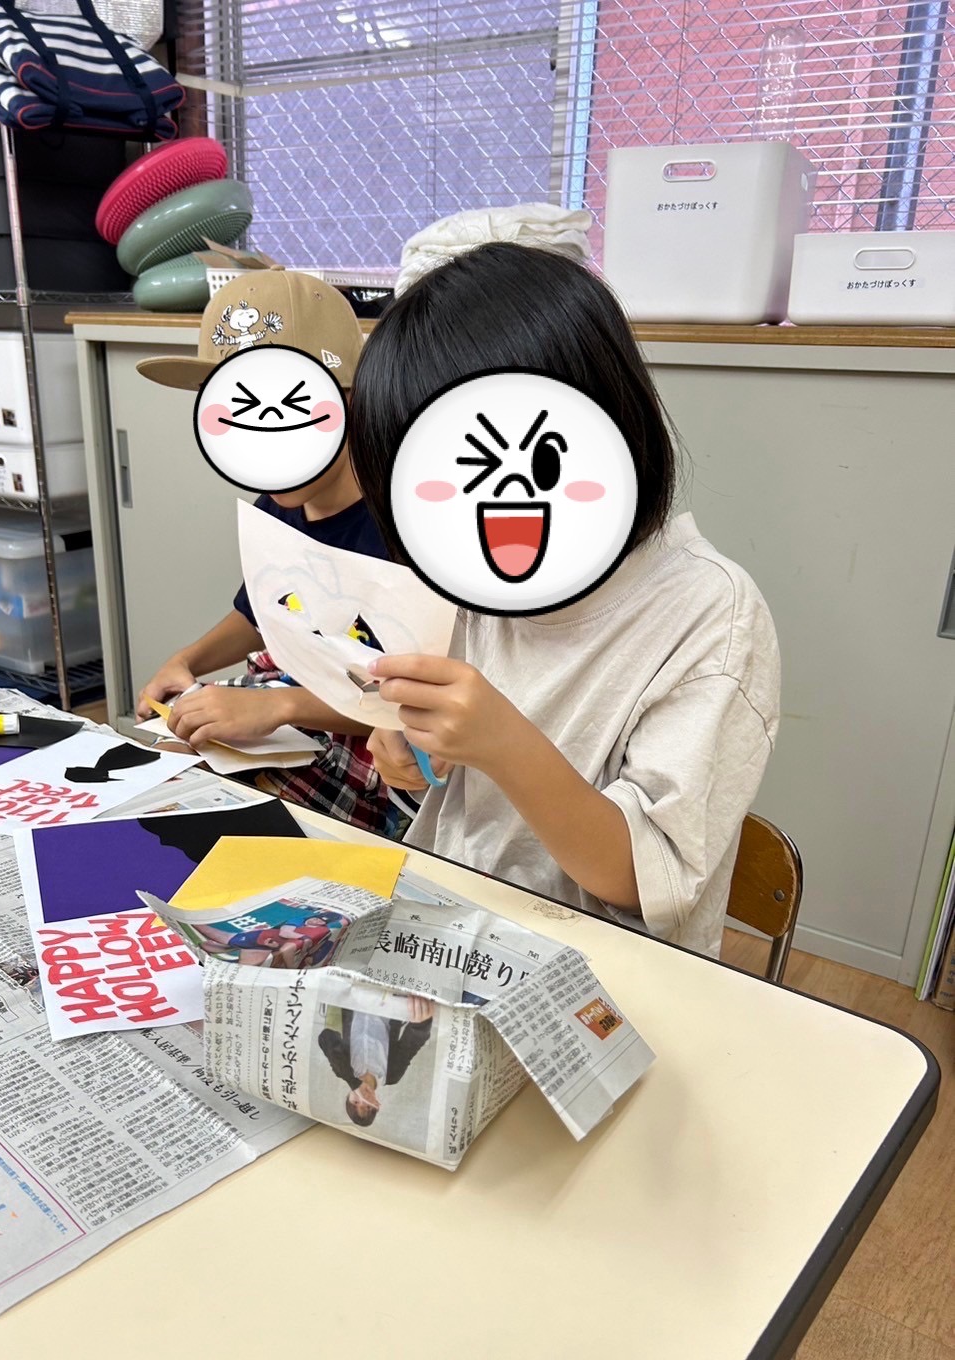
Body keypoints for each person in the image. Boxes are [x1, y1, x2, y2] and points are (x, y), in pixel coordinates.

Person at [348, 242, 781, 959]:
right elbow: (457, 794)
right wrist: (415, 751)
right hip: (449, 927)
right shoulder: (473, 585)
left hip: (609, 975)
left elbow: (643, 880)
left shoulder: (711, 613)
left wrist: (502, 742)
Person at [134, 269, 414, 837]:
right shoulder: (277, 505)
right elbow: (261, 613)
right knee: (166, 773)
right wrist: (189, 660)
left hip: (385, 749)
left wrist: (280, 707)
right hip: (295, 704)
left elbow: (412, 699)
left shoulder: (405, 526)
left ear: (349, 399)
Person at [318, 998, 435, 1128]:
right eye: (368, 1106)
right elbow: (413, 1042)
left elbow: (325, 1037)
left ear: (349, 1095)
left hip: (358, 996)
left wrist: (354, 1082)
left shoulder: (343, 1069)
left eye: (356, 1102)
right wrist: (421, 1024)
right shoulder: (391, 1075)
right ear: (377, 1104)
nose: (363, 1099)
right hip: (389, 1001)